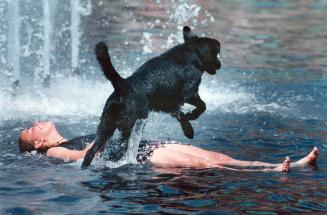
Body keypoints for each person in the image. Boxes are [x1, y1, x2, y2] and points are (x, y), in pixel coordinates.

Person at [18, 121, 319, 172]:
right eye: (32, 130)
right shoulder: (53, 150)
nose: (36, 123)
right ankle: (271, 172)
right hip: (135, 154)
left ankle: (286, 164)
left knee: (216, 155)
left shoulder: (63, 136)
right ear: (39, 143)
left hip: (143, 145)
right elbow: (82, 156)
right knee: (204, 165)